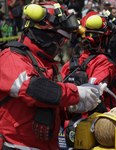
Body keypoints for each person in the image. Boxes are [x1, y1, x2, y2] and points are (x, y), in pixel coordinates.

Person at [0, 2, 100, 150]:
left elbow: (50, 102)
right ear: (43, 34)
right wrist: (76, 92)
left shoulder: (45, 64)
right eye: (59, 40)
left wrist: (69, 109)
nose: (60, 47)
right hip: (16, 145)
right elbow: (34, 90)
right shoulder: (11, 57)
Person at [61, 11, 116, 110]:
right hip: (97, 121)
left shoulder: (69, 64)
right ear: (104, 39)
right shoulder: (104, 63)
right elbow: (95, 96)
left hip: (69, 122)